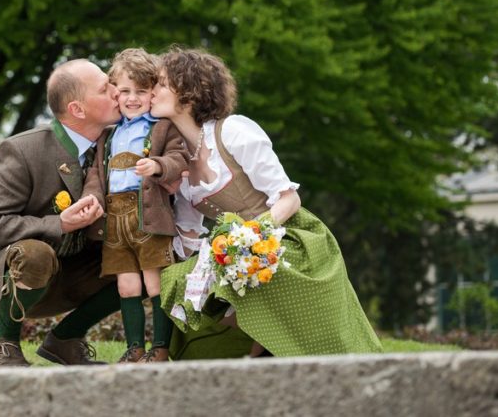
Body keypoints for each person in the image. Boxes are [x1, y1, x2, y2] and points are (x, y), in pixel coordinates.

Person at [152, 46, 383, 357]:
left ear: (189, 95)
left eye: (161, 84)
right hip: (235, 250)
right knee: (179, 283)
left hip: (287, 238)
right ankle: (260, 349)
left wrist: (246, 239)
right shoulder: (179, 161)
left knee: (240, 271)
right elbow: (190, 234)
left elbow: (289, 199)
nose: (152, 91)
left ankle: (264, 350)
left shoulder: (233, 132)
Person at [0, 59, 123, 367]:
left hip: (79, 270)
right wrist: (58, 223)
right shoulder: (22, 150)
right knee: (35, 253)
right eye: (105, 89)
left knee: (150, 258)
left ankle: (65, 340)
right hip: (20, 272)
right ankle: (5, 344)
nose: (117, 92)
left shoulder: (121, 142)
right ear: (78, 109)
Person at [80, 48, 188, 362]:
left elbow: (178, 159)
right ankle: (134, 348)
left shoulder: (161, 127)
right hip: (115, 220)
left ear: (153, 92)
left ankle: (161, 348)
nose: (132, 98)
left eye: (141, 91)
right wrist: (92, 199)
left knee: (154, 283)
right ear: (115, 92)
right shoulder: (109, 135)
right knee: (127, 286)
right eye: (125, 91)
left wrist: (157, 166)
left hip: (148, 214)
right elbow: (97, 174)